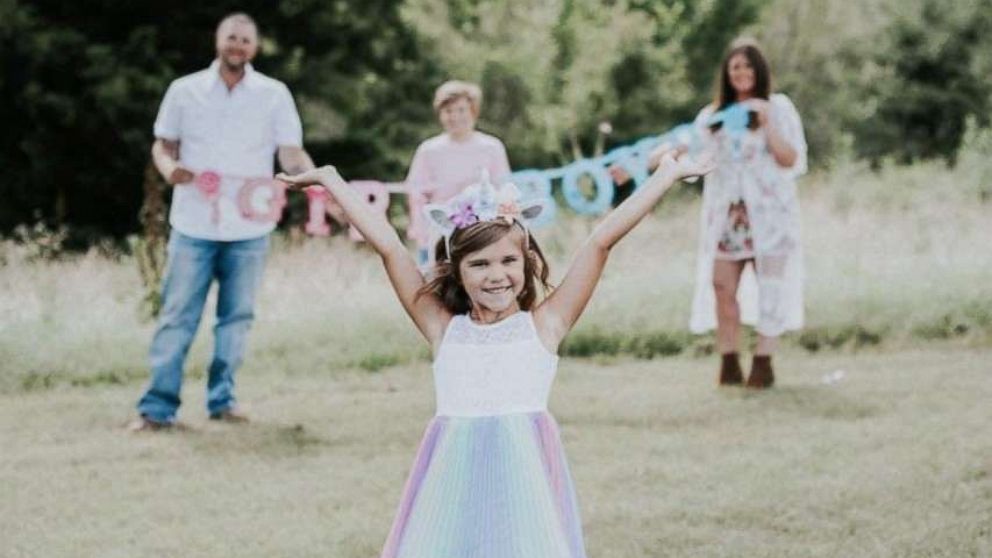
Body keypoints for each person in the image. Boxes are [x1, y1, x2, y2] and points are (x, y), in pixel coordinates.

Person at [277, 149, 713, 556]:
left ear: (526, 264)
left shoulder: (544, 325)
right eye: (480, 265)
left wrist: (668, 175)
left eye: (508, 261)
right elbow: (389, 246)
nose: (497, 276)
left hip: (525, 486)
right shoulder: (444, 328)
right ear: (458, 272)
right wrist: (331, 181)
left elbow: (601, 241)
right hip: (452, 482)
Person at [129, 13, 317, 431]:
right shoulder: (185, 90)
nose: (238, 45)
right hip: (193, 223)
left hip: (250, 229)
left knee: (237, 318)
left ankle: (222, 400)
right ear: (219, 41)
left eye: (246, 40)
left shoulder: (274, 94)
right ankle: (157, 409)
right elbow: (163, 145)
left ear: (256, 47)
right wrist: (168, 168)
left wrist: (314, 180)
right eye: (232, 37)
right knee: (177, 316)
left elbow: (291, 153)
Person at [653, 38, 808, 388]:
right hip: (728, 216)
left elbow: (791, 159)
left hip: (770, 215)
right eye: (735, 66)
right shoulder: (712, 116)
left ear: (760, 71)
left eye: (748, 66)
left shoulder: (778, 108)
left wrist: (767, 124)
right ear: (727, 73)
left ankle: (764, 362)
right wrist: (665, 156)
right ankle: (729, 361)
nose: (742, 72)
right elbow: (693, 156)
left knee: (770, 286)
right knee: (721, 284)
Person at [405, 80, 511, 265]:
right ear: (440, 115)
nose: (455, 117)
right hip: (440, 230)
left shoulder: (492, 147)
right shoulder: (429, 150)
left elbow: (504, 190)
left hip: (484, 232)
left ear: (473, 111)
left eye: (461, 110)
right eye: (448, 111)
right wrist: (420, 232)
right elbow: (416, 195)